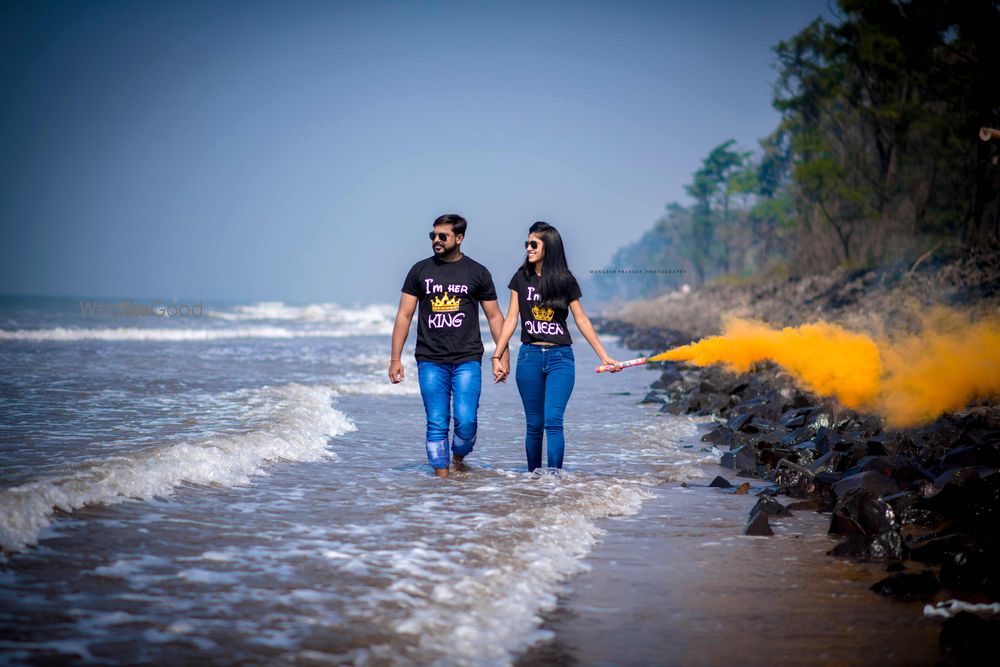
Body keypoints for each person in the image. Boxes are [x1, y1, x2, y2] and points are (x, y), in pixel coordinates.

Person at [492, 221, 621, 473]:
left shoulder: (565, 280)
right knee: (534, 425)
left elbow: (581, 319)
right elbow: (511, 319)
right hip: (529, 357)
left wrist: (604, 356)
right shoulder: (521, 277)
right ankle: (533, 478)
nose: (528, 248)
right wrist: (497, 355)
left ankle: (554, 482)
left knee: (553, 421)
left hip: (560, 358)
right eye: (527, 243)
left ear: (548, 247)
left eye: (534, 244)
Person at [389, 214, 509, 478]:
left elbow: (495, 317)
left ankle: (458, 457)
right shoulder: (419, 271)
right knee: (436, 422)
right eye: (433, 235)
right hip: (430, 359)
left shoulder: (477, 272)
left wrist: (502, 355)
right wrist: (395, 359)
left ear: (459, 238)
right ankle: (442, 486)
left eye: (442, 236)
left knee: (466, 422)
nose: (436, 240)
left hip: (467, 359)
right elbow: (404, 316)